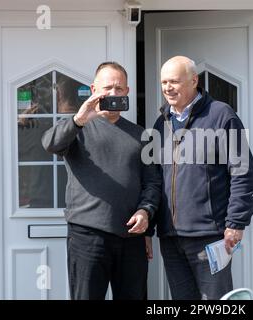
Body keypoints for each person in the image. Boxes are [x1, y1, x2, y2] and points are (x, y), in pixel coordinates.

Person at [42, 61, 161, 300]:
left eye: (119, 88)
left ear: (127, 91)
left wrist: (146, 212)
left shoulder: (142, 135)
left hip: (131, 237)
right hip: (87, 235)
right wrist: (79, 119)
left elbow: (152, 183)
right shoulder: (78, 127)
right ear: (94, 89)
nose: (113, 94)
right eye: (107, 88)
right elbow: (50, 144)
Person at [146, 56, 253, 300]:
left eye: (174, 81)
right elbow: (154, 181)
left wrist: (236, 223)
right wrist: (151, 227)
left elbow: (243, 173)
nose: (167, 87)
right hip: (171, 238)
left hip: (210, 236)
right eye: (164, 82)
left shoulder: (221, 115)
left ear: (194, 80)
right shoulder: (161, 123)